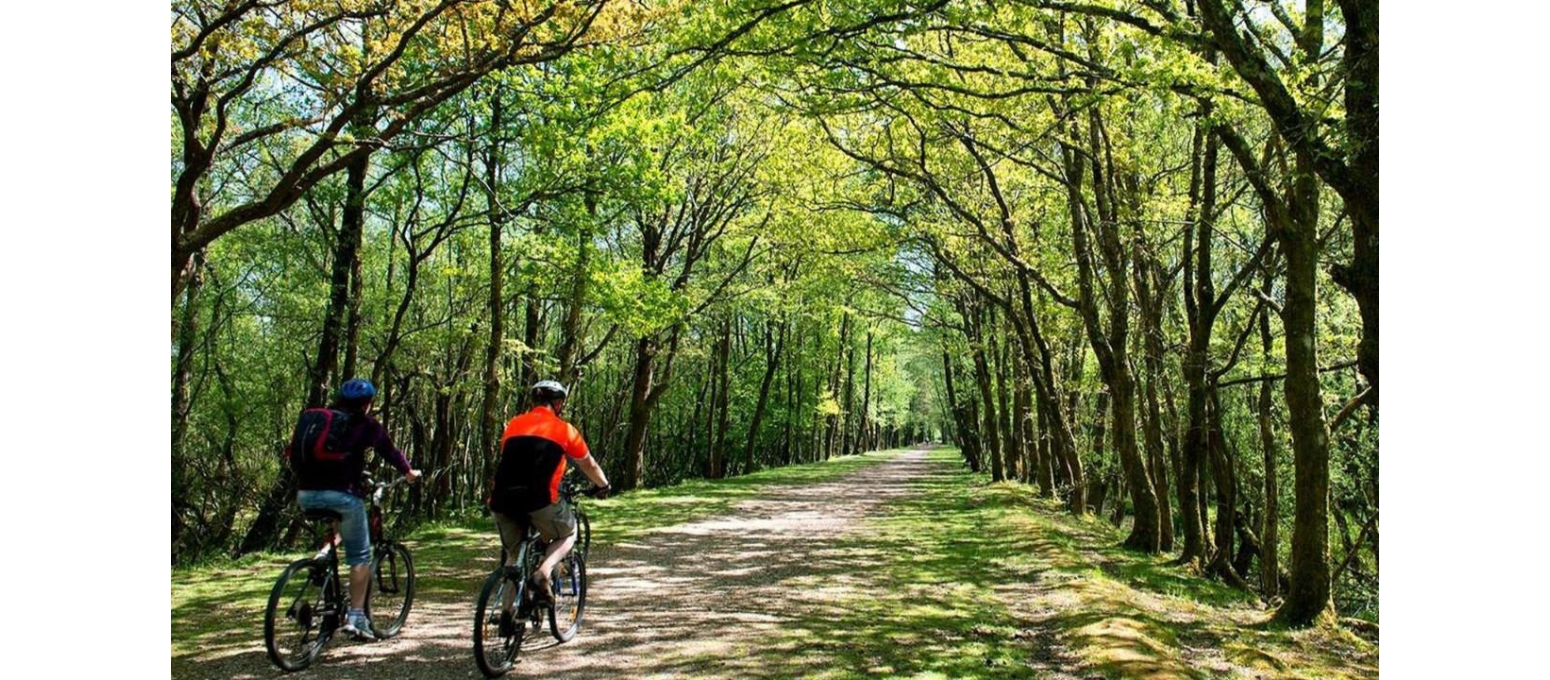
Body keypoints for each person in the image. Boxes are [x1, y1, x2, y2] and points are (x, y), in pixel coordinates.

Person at [290, 378, 420, 641]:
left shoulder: (320, 419)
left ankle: (322, 556)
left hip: (305, 494)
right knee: (360, 556)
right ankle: (357, 617)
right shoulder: (366, 424)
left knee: (340, 527)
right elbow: (391, 452)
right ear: (367, 403)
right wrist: (408, 472)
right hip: (342, 495)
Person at [489, 379, 610, 607]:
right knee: (569, 532)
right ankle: (543, 572)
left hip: (501, 500)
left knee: (515, 559)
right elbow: (588, 464)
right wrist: (603, 484)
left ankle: (507, 614)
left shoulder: (513, 425)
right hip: (539, 500)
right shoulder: (564, 430)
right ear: (558, 403)